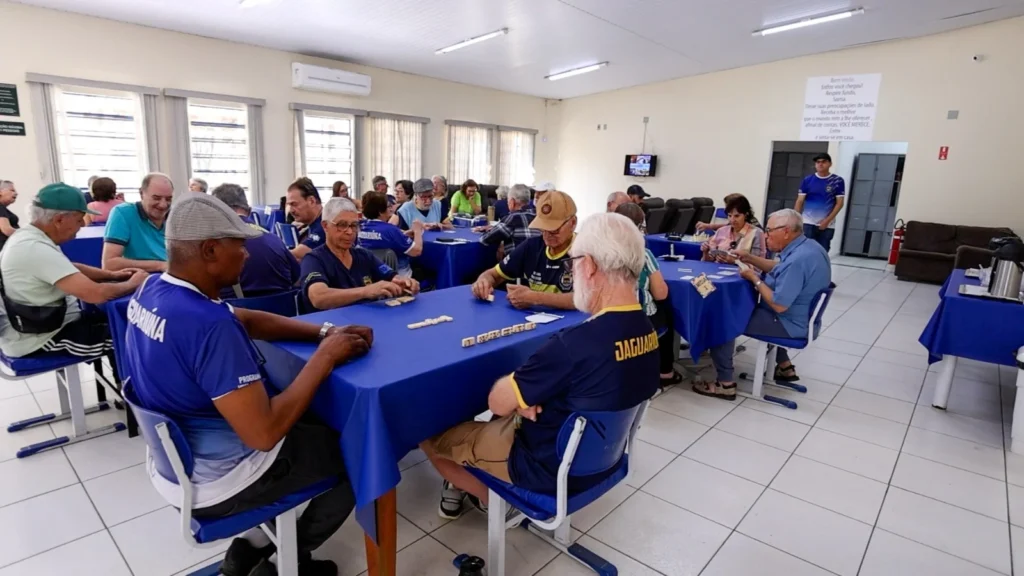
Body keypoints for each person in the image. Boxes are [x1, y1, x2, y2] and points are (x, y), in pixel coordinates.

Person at [125, 192, 367, 576]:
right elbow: (264, 433)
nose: (248, 254)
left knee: (317, 426)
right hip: (221, 478)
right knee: (361, 455)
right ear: (209, 250)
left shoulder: (156, 289)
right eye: (239, 246)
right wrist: (325, 357)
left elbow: (247, 318)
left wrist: (324, 332)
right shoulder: (208, 326)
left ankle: (251, 544)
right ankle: (286, 559)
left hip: (174, 460)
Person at [423, 212, 659, 519]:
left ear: (588, 266)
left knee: (426, 430)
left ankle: (497, 501)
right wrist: (532, 395)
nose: (572, 271)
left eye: (573, 262)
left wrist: (520, 389)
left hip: (544, 467)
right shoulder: (649, 330)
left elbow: (498, 400)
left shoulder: (573, 344)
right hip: (603, 458)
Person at [694, 209, 831, 400]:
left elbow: (779, 305)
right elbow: (780, 268)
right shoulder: (809, 247)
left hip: (787, 323)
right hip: (803, 319)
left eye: (769, 230)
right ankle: (784, 366)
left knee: (723, 317)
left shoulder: (798, 260)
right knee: (739, 309)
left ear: (786, 231)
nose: (765, 235)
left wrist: (754, 279)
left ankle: (724, 383)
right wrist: (749, 258)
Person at [0, 183, 146, 359]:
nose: (81, 226)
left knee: (123, 322)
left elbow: (69, 268)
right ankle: (128, 385)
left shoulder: (31, 236)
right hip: (42, 338)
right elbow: (96, 294)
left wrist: (112, 275)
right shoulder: (34, 248)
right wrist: (133, 284)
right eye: (79, 220)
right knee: (137, 336)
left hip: (47, 322)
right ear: (59, 220)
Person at [301, 198, 419, 312]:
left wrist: (404, 283)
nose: (350, 232)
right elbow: (318, 297)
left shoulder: (364, 255)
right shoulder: (313, 260)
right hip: (333, 327)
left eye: (354, 225)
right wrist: (365, 291)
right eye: (342, 225)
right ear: (325, 226)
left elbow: (392, 277)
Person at [471, 190, 577, 311]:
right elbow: (493, 275)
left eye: (554, 230)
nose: (547, 235)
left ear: (573, 223)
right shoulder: (531, 246)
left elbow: (587, 298)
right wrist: (483, 282)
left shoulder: (586, 251)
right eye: (543, 228)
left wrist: (536, 298)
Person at [616, 203, 681, 388]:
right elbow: (660, 293)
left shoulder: (601, 252)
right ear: (640, 227)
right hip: (639, 316)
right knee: (666, 308)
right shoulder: (644, 255)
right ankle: (665, 371)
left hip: (610, 315)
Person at [211, 183, 300, 299]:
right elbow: (297, 278)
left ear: (217, 213)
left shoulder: (214, 246)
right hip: (284, 313)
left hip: (236, 314)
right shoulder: (275, 240)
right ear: (249, 210)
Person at [103, 172, 173, 272]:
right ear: (141, 194)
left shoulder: (176, 216)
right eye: (156, 198)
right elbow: (109, 264)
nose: (163, 205)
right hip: (141, 280)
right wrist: (160, 265)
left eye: (168, 199)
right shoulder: (123, 213)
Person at [358, 191, 423, 278]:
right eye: (388, 206)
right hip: (399, 276)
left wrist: (402, 234)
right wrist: (418, 230)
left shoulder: (359, 227)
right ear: (380, 212)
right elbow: (416, 251)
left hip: (368, 276)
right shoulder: (390, 230)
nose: (391, 209)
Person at [795, 152, 845, 252]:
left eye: (823, 162)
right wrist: (796, 219)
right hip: (808, 223)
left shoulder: (837, 181)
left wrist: (827, 221)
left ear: (830, 164)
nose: (820, 164)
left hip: (827, 225)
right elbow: (800, 201)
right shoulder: (808, 180)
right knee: (805, 250)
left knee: (822, 251)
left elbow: (840, 203)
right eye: (818, 162)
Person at [477, 184, 539, 257]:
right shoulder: (538, 216)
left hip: (517, 264)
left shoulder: (512, 218)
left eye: (508, 200)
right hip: (538, 263)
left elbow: (485, 239)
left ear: (512, 202)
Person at [700, 194, 766, 262]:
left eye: (737, 216)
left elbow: (758, 265)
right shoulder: (721, 231)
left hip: (742, 272)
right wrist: (706, 252)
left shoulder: (756, 233)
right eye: (729, 215)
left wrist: (734, 261)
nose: (732, 220)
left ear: (746, 215)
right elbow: (708, 261)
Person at [285, 177, 325, 261]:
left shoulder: (324, 225)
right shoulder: (314, 222)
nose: (291, 210)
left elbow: (296, 255)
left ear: (311, 201)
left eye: (294, 204)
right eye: (290, 205)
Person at [0, 180, 20, 251]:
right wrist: (26, 233)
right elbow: (6, 229)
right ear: (0, 192)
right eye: (12, 190)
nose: (16, 193)